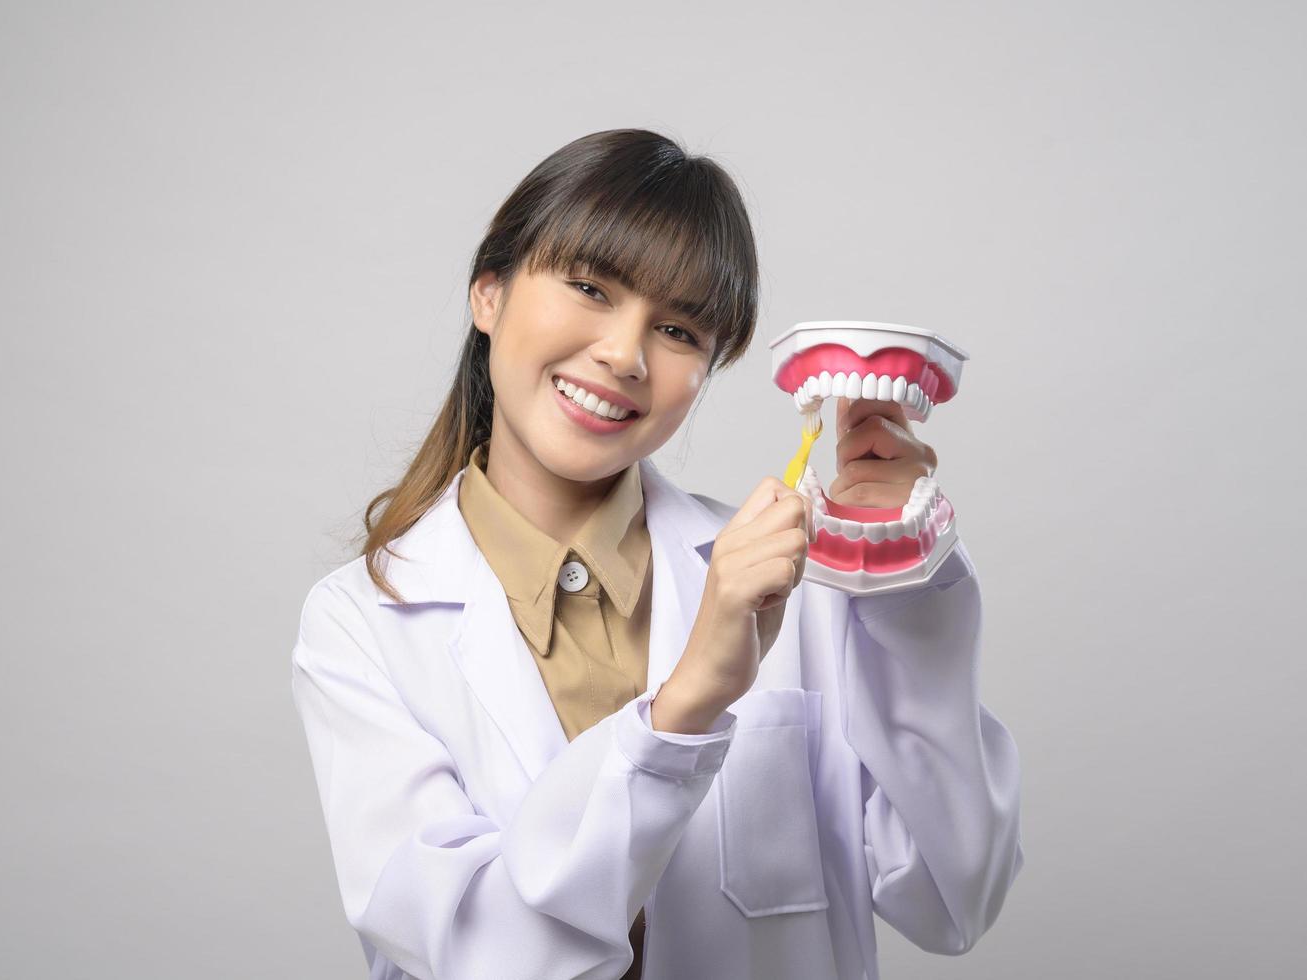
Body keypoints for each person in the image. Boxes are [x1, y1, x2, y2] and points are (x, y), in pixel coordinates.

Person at [290, 128, 1024, 980]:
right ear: (488, 293)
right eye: (590, 287)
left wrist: (897, 584)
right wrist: (687, 704)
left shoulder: (796, 585)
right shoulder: (360, 623)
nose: (624, 355)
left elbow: (952, 897)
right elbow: (479, 955)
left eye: (677, 330)